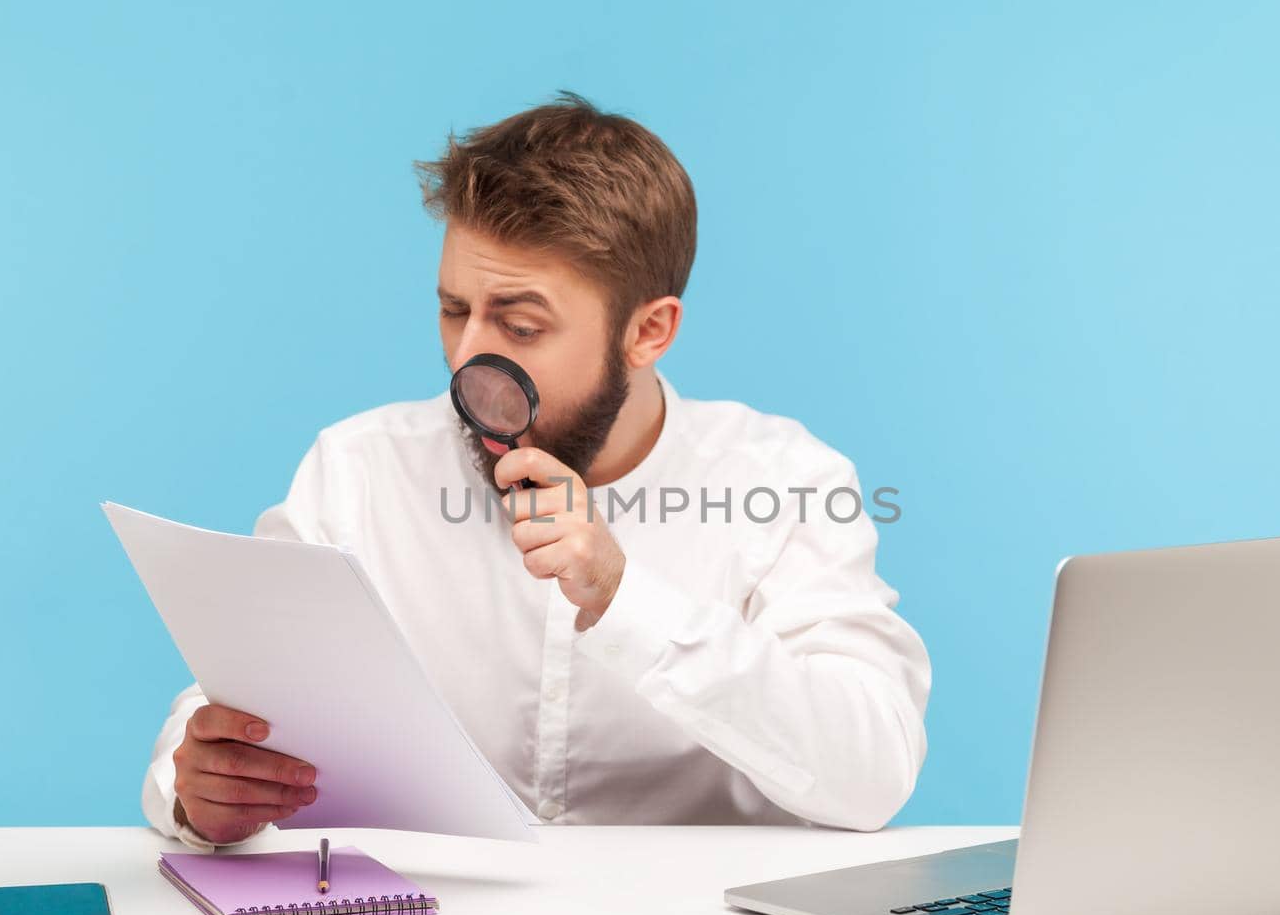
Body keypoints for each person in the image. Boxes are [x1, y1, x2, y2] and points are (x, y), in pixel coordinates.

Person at [141, 91, 932, 850]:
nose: (467, 361)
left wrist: (627, 599)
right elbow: (233, 699)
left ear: (648, 331)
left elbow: (873, 770)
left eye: (519, 324)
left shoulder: (787, 481)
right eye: (454, 310)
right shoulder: (357, 471)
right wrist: (197, 782)